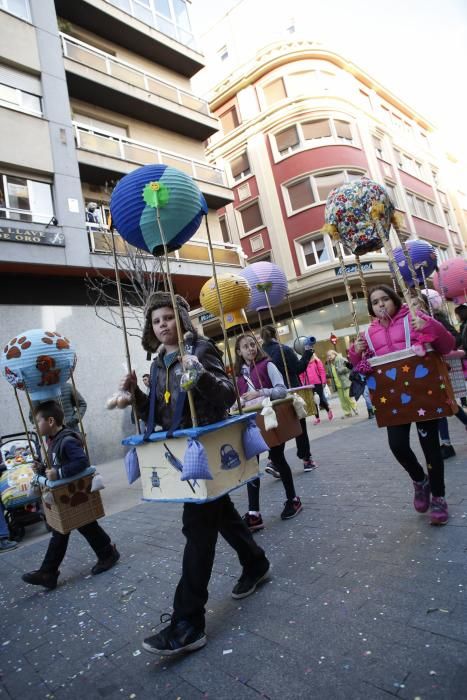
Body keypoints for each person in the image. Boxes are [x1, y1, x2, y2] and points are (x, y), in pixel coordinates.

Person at [121, 292, 270, 657]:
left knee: (198, 530)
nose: (163, 325)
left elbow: (225, 396)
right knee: (221, 515)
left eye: (169, 317)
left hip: (204, 451)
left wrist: (198, 374)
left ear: (182, 319)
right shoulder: (158, 365)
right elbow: (162, 415)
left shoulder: (202, 350)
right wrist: (137, 397)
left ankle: (188, 622)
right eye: (156, 321)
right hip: (178, 453)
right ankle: (256, 562)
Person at [349, 284, 455, 525]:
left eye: (385, 299)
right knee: (397, 446)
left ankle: (438, 498)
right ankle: (420, 480)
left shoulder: (416, 319)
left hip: (423, 393)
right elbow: (357, 364)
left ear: (395, 300)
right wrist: (356, 352)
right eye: (375, 302)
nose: (381, 305)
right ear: (371, 308)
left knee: (431, 449)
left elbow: (447, 346)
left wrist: (430, 326)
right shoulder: (367, 334)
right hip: (392, 398)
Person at [22, 401, 119, 589]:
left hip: (74, 493)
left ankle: (48, 572)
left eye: (37, 421)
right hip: (68, 495)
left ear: (50, 421)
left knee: (69, 527)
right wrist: (42, 469)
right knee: (80, 526)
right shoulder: (53, 441)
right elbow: (56, 466)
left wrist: (58, 474)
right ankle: (105, 553)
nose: (34, 426)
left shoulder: (66, 440)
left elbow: (81, 462)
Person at [235, 333, 303, 532]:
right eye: (245, 347)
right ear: (238, 352)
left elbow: (282, 390)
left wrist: (261, 392)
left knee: (277, 457)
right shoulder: (239, 375)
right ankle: (254, 514)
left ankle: (293, 499)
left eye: (252, 344)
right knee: (251, 466)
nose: (250, 349)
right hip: (251, 423)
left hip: (271, 419)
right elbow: (238, 398)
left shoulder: (268, 365)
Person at [410, 293, 467, 458]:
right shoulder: (409, 323)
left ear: (423, 305)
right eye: (410, 304)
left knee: (443, 404)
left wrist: (435, 340)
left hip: (439, 367)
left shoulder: (435, 319)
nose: (413, 307)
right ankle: (446, 443)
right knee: (445, 403)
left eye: (415, 304)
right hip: (423, 370)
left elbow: (453, 339)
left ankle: (446, 444)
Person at [260, 326, 317, 474]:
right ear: (276, 334)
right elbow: (298, 368)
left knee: (281, 427)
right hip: (291, 392)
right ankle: (306, 459)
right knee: (299, 426)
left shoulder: (261, 354)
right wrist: (308, 353)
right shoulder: (283, 349)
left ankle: (273, 460)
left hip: (273, 396)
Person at [299, 352, 333, 424]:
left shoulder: (317, 361)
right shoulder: (303, 363)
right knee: (312, 401)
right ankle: (317, 418)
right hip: (308, 385)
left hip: (318, 383)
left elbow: (322, 371)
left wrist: (323, 381)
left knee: (320, 399)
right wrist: (302, 383)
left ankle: (328, 410)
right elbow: (301, 374)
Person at [326, 350, 358, 418]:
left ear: (334, 354)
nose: (329, 357)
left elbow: (350, 367)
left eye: (330, 355)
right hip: (338, 384)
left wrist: (340, 370)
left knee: (347, 396)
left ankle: (355, 408)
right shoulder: (330, 363)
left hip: (345, 382)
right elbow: (331, 373)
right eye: (328, 356)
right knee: (342, 400)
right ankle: (347, 413)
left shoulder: (341, 359)